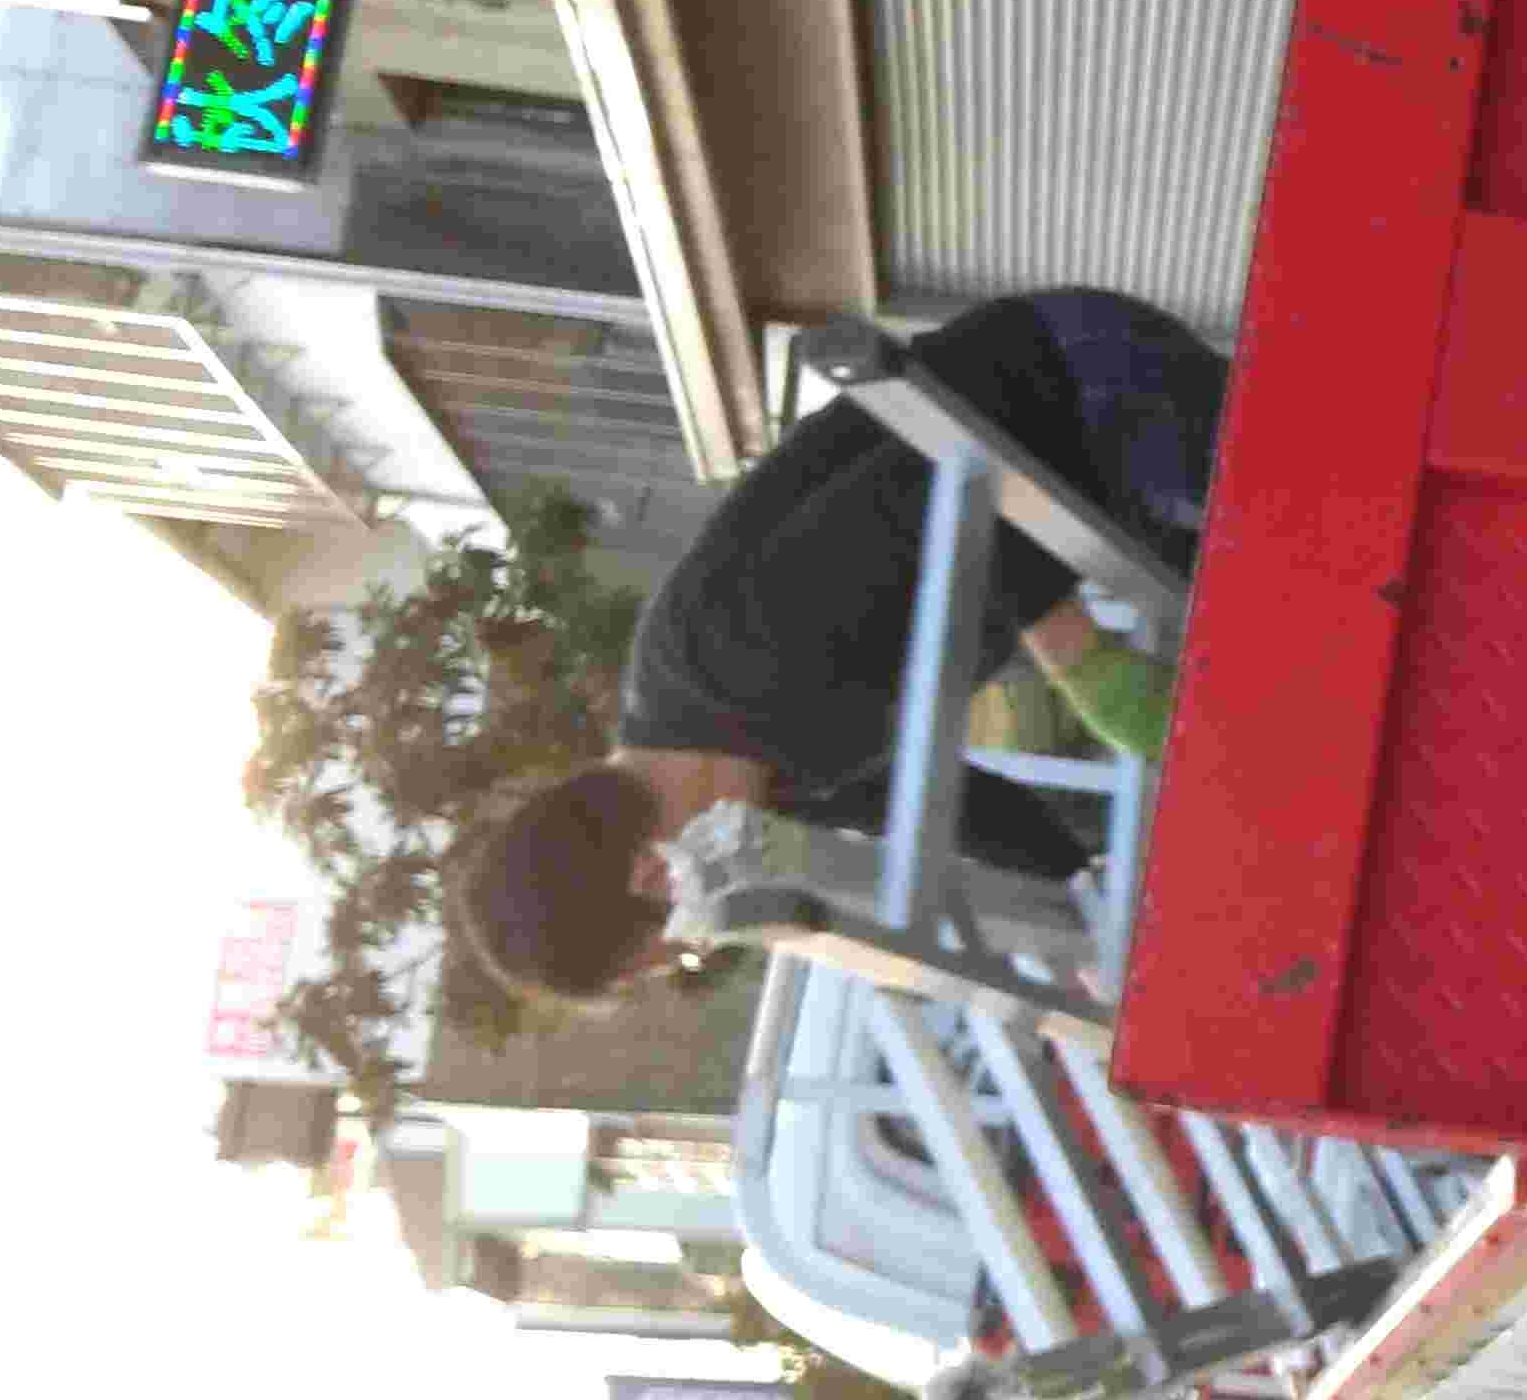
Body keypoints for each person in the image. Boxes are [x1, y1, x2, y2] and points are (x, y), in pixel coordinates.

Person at [452, 290, 1228, 1005]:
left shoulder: (732, 652)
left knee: (1292, 545)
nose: (709, 939)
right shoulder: (771, 783)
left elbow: (956, 493)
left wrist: (1082, 665)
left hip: (1069, 387)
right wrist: (1088, 898)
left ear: (650, 875)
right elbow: (957, 807)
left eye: (681, 943)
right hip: (1077, 482)